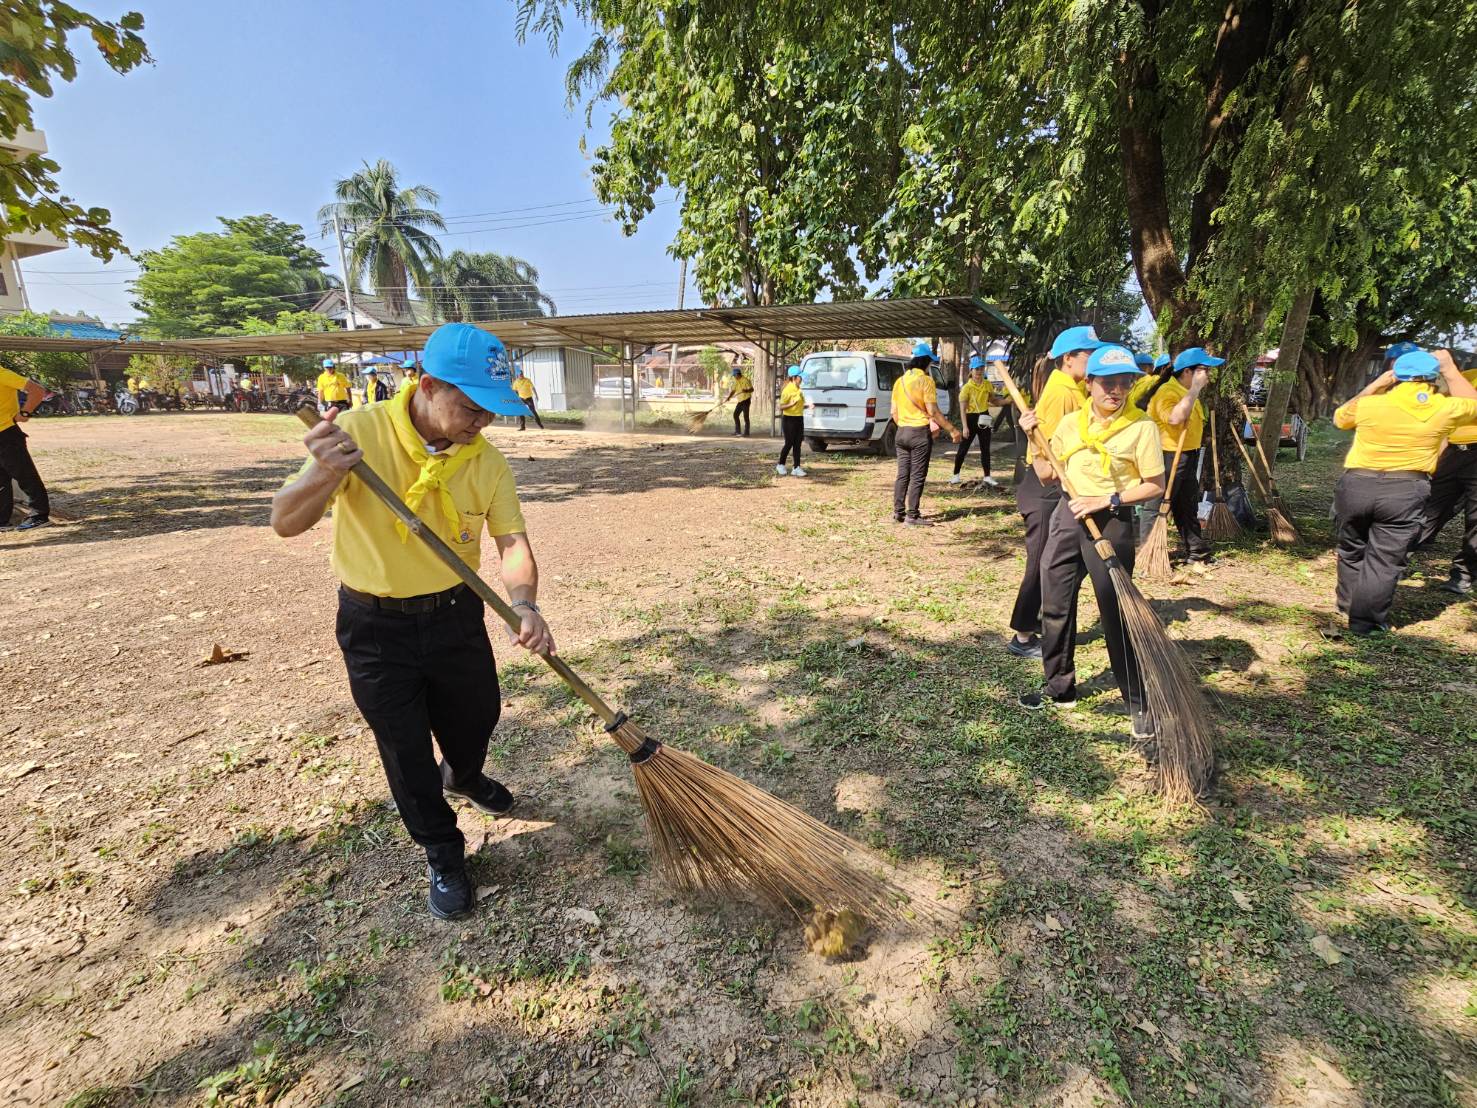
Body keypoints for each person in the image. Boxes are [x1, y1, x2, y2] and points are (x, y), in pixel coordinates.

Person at [271, 322, 555, 921]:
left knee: (477, 715)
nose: (484, 422)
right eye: (472, 407)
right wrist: (326, 473)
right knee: (403, 748)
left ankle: (467, 772)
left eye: (494, 411)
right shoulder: (356, 433)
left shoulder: (487, 461)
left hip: (455, 614)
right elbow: (285, 522)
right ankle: (444, 851)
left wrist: (525, 604)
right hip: (375, 625)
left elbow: (512, 543)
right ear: (427, 385)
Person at [1017, 344, 1166, 739]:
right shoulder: (1069, 424)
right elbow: (1048, 474)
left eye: (1124, 383)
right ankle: (1059, 686)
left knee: (1116, 612)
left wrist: (1108, 498)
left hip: (1111, 520)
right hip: (1069, 517)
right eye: (1107, 383)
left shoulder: (1141, 427)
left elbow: (1154, 485)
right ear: (1091, 384)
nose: (1115, 391)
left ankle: (1137, 702)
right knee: (1055, 602)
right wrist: (1033, 437)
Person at [1332, 349, 1477, 634]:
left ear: (1395, 376)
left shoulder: (1371, 405)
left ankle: (1347, 603)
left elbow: (1340, 418)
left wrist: (1376, 385)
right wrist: (1450, 369)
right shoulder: (1444, 407)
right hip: (1405, 488)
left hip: (1356, 484)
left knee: (1351, 547)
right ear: (1433, 378)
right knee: (1384, 559)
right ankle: (1365, 624)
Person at [1005, 325, 1101, 658]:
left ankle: (1049, 622)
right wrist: (1054, 476)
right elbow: (1044, 448)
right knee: (1042, 561)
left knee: (1058, 560)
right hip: (1045, 486)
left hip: (1057, 484)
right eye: (1089, 354)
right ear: (1069, 359)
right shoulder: (1061, 392)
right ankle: (1023, 635)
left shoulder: (1075, 388)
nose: (1094, 359)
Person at [1141, 347, 1217, 562]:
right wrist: (1194, 390)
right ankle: (1149, 554)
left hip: (1187, 454)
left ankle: (1196, 551)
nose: (1207, 376)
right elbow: (1174, 419)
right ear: (1187, 372)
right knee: (1157, 504)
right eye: (1203, 370)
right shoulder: (1168, 392)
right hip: (1168, 455)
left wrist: (1193, 391)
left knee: (1187, 504)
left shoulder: (1185, 392)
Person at [1413, 356, 1477, 595]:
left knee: (1475, 520)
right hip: (1454, 452)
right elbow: (1447, 421)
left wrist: (1449, 369)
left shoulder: (1456, 376)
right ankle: (1395, 558)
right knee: (1428, 508)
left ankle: (1464, 574)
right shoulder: (1467, 376)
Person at [892, 343, 961, 526]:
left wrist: (905, 425)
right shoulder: (926, 381)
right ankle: (912, 516)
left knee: (902, 474)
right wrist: (952, 429)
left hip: (901, 432)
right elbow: (934, 411)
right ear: (926, 362)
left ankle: (898, 513)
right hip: (919, 434)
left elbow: (894, 412)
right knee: (917, 475)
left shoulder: (899, 381)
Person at [0, 362, 51, 530]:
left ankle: (39, 515)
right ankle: (2, 520)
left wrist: (25, 413)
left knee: (25, 475)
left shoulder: (3, 374)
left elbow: (37, 390)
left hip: (6, 433)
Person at [951, 355, 1002, 488]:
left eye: (981, 369)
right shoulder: (967, 388)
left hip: (984, 417)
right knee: (963, 448)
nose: (979, 372)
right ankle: (955, 475)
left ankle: (987, 476)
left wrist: (1008, 400)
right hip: (971, 418)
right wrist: (964, 427)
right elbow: (962, 409)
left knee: (985, 448)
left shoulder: (987, 384)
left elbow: (993, 400)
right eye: (976, 369)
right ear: (971, 370)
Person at [776, 364, 811, 476]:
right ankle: (780, 465)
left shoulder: (798, 389)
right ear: (794, 377)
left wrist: (808, 406)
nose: (802, 379)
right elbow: (780, 407)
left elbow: (800, 405)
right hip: (789, 420)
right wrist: (791, 404)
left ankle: (796, 467)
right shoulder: (787, 390)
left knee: (797, 444)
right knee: (789, 443)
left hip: (799, 418)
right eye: (800, 377)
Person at [511, 366, 543, 430]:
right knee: (521, 412)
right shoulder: (516, 382)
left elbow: (533, 388)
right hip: (521, 398)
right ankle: (522, 427)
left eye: (522, 374)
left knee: (533, 411)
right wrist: (515, 398)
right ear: (517, 375)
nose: (521, 375)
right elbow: (514, 391)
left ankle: (540, 424)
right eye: (520, 375)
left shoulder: (527, 380)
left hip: (528, 398)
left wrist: (536, 395)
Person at [725, 365, 754, 436]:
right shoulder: (736, 381)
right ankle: (738, 431)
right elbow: (733, 390)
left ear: (738, 374)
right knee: (735, 415)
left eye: (734, 375)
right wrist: (729, 397)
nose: (734, 377)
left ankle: (747, 433)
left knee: (745, 416)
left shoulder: (746, 380)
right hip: (740, 401)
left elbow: (752, 389)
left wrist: (746, 390)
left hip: (746, 400)